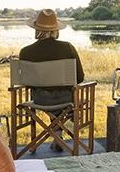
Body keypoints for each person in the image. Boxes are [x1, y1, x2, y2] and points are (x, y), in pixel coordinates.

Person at [19, 8, 85, 151]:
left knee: (49, 97)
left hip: (41, 99)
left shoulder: (25, 52)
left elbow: (25, 81)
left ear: (36, 29)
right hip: (66, 98)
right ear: (56, 30)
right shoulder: (67, 48)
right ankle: (65, 125)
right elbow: (79, 78)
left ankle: (57, 138)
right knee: (65, 99)